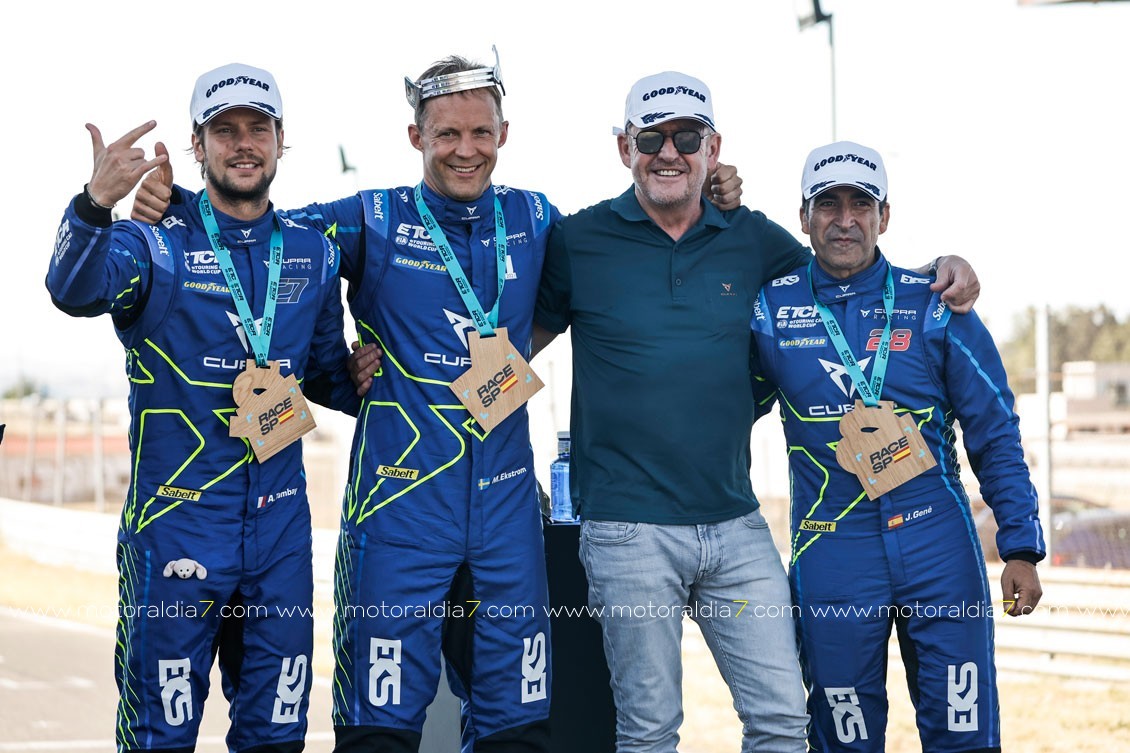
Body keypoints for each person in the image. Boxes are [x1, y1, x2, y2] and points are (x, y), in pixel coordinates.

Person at [131, 51, 745, 753]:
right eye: (447, 133)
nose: (465, 149)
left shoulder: (537, 217)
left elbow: (631, 232)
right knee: (380, 730)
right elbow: (255, 222)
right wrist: (173, 207)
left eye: (480, 132)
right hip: (398, 513)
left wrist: (713, 199)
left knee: (518, 728)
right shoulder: (373, 217)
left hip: (508, 518)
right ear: (416, 136)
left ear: (504, 134)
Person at [530, 73, 980, 753]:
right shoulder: (579, 239)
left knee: (782, 722)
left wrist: (942, 268)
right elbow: (513, 342)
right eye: (651, 137)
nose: (668, 152)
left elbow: (848, 275)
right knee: (649, 731)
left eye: (687, 137)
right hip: (627, 530)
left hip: (735, 527)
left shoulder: (756, 240)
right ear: (624, 146)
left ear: (713, 146)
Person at [46, 64, 357, 753]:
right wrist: (95, 205)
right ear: (197, 143)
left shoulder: (309, 252)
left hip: (279, 541)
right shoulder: (155, 241)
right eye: (225, 131)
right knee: (160, 737)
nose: (243, 144)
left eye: (257, 128)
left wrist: (366, 376)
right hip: (176, 536)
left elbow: (326, 377)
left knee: (277, 736)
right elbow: (72, 287)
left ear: (281, 141)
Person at [749, 141, 1044, 752]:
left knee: (963, 736)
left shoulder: (936, 301)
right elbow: (717, 414)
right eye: (827, 204)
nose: (845, 218)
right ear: (803, 216)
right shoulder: (771, 310)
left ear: (887, 215)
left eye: (863, 203)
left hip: (940, 550)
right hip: (832, 553)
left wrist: (1021, 546)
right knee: (845, 741)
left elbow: (996, 430)